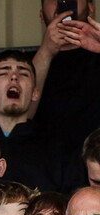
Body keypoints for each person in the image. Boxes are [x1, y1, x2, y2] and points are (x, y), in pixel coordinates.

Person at [33, 0, 100, 192]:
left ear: (91, 8)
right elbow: (20, 107)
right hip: (49, 178)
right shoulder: (28, 64)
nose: (62, 2)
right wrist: (46, 51)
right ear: (41, 15)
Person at [0, 50, 61, 191]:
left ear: (35, 93)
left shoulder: (57, 144)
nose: (14, 78)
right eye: (3, 73)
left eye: (23, 74)